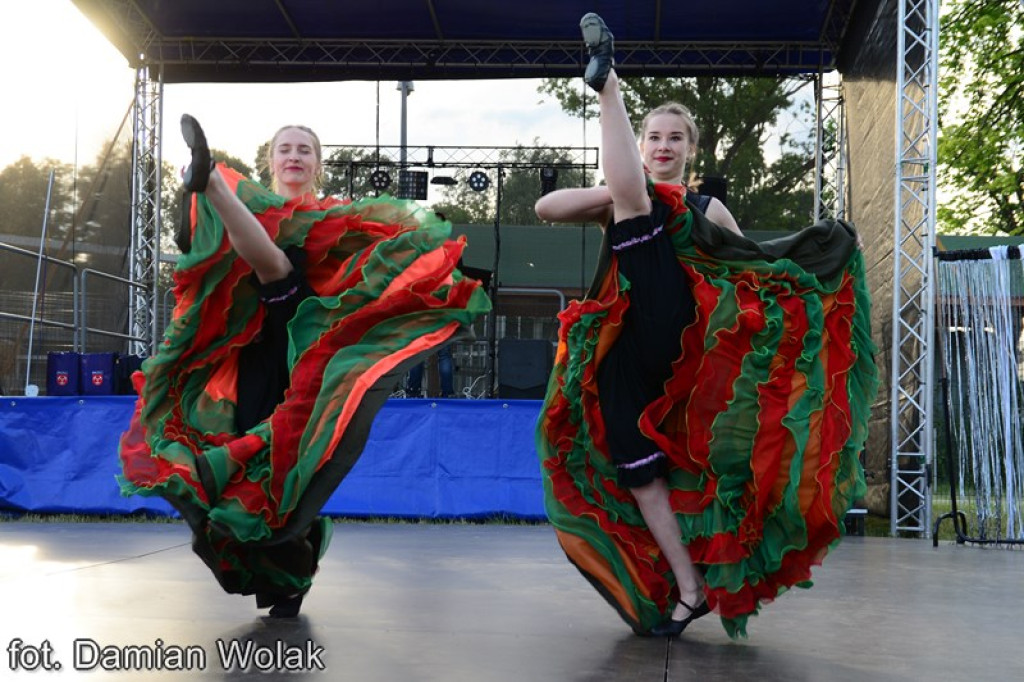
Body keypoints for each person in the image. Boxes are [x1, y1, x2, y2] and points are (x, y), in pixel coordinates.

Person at [535, 13, 876, 639]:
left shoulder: (706, 206)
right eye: (653, 137)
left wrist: (817, 261)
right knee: (638, 470)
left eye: (675, 138)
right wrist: (622, 192)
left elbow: (751, 271)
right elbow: (544, 207)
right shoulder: (620, 198)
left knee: (641, 212)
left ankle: (607, 85)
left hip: (682, 335)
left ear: (690, 150)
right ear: (640, 146)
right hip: (623, 354)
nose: (664, 145)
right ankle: (689, 589)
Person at [118, 116, 490, 618]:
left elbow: (373, 264)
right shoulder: (253, 207)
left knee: (276, 269)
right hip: (254, 354)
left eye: (304, 150)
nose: (294, 156)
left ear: (317, 164)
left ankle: (211, 182)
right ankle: (285, 576)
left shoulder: (336, 217)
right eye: (285, 149)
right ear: (271, 162)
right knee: (254, 473)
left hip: (311, 339)